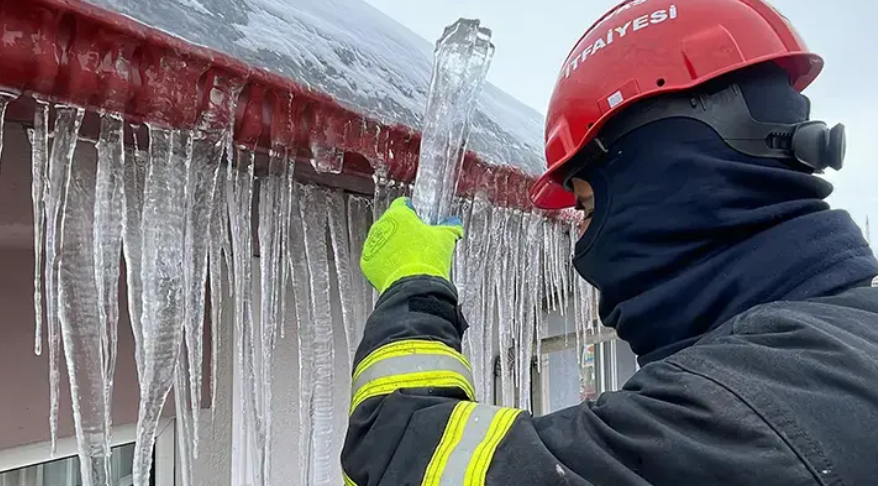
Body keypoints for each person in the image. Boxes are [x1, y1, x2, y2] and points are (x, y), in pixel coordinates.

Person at [341, 0, 878, 484]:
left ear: (665, 182)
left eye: (590, 206)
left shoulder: (735, 416)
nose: (581, 245)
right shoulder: (844, 342)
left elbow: (392, 461)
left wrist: (412, 287)